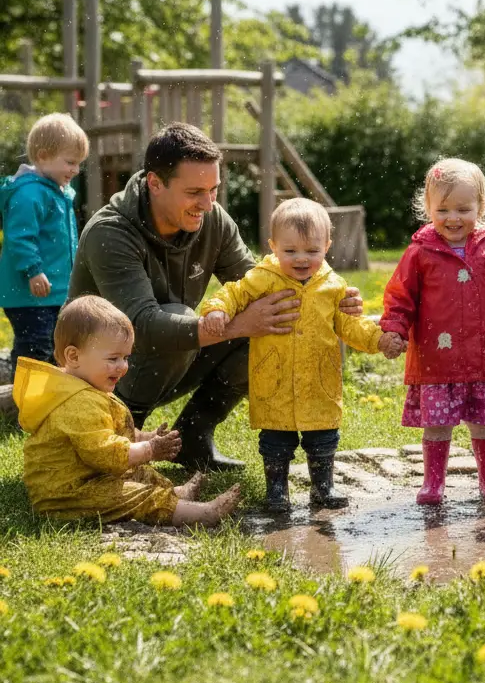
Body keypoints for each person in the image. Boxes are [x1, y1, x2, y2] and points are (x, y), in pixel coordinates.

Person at [67, 122, 363, 473]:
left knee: (275, 318)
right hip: (97, 377)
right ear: (155, 184)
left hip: (161, 362)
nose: (207, 204)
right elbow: (142, 326)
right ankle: (121, 435)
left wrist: (325, 299)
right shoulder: (111, 233)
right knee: (180, 316)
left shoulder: (213, 220)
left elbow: (263, 287)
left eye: (214, 190)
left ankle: (193, 437)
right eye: (195, 192)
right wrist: (234, 326)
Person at [201, 198, 404, 511]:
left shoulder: (333, 286)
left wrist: (379, 340)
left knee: (322, 439)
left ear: (327, 245)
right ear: (273, 246)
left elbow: (350, 326)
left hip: (317, 381)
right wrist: (217, 309)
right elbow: (233, 292)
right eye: (290, 251)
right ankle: (277, 490)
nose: (300, 259)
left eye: (311, 251)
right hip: (276, 379)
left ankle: (323, 487)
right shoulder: (263, 278)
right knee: (275, 442)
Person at [381, 158, 485, 505]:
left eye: (463, 209)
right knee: (437, 425)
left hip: (484, 356)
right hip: (436, 362)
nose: (452, 218)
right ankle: (433, 483)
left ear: (482, 208)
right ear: (427, 208)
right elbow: (400, 297)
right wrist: (394, 330)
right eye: (442, 210)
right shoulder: (419, 253)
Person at [15, 295, 241, 526]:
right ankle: (202, 515)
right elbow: (104, 453)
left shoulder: (87, 387)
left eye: (126, 357)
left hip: (87, 476)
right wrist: (149, 449)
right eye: (113, 358)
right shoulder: (76, 403)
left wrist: (146, 437)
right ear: (73, 356)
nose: (123, 367)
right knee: (137, 496)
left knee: (138, 473)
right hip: (67, 494)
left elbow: (110, 432)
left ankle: (176, 495)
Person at [0, 113, 89, 381]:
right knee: (35, 348)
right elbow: (19, 237)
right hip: (28, 291)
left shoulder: (55, 191)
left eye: (79, 164)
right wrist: (33, 270)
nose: (75, 170)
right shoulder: (30, 193)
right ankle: (24, 401)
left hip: (51, 293)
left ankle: (44, 397)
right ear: (42, 156)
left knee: (51, 347)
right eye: (70, 162)